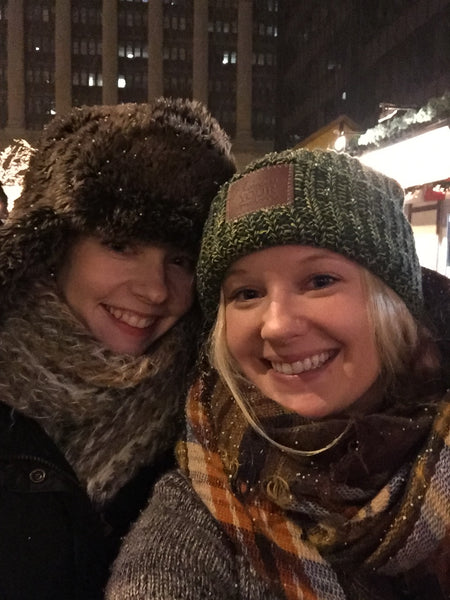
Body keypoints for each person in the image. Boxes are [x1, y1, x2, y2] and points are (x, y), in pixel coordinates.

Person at [107, 148, 450, 600]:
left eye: (320, 281)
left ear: (393, 299)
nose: (277, 325)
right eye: (247, 293)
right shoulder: (203, 498)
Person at [0, 97, 235, 600]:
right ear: (53, 245)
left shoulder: (214, 408)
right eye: (121, 245)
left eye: (180, 259)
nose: (154, 289)